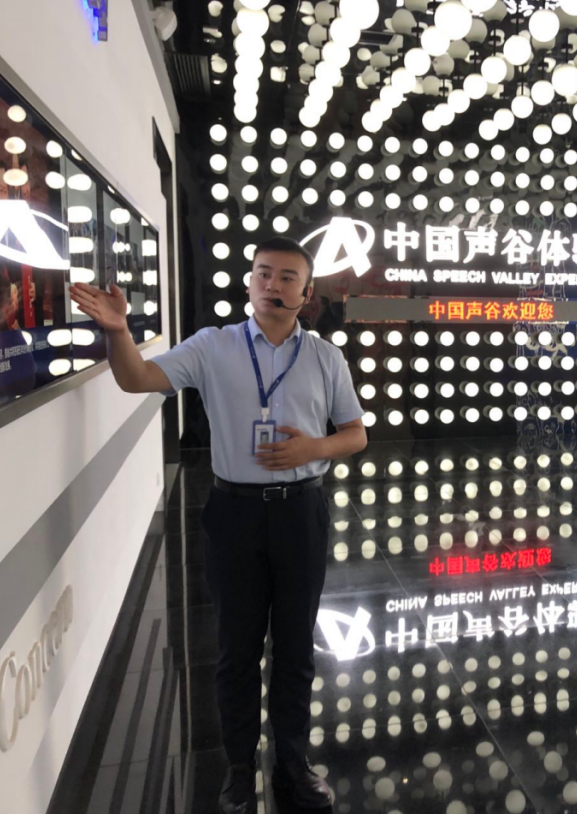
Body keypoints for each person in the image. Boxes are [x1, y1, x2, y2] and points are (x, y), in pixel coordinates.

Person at [70, 237, 367, 814]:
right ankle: (237, 766)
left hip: (301, 512)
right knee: (236, 649)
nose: (272, 285)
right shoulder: (213, 345)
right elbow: (136, 378)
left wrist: (314, 447)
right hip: (235, 513)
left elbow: (356, 434)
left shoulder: (325, 357)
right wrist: (118, 331)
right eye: (263, 273)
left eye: (287, 277)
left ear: (307, 293)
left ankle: (292, 761)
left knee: (296, 647)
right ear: (249, 282)